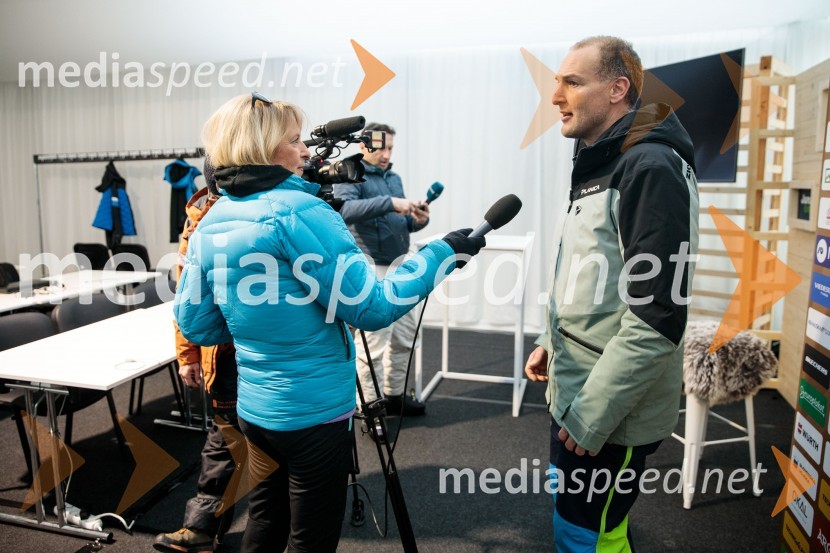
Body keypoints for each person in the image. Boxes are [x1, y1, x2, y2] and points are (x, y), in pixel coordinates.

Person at [174, 93, 485, 553]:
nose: (305, 152)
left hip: (254, 412)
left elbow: (196, 325)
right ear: (263, 148)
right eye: (295, 141)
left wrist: (259, 326)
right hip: (313, 415)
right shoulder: (301, 212)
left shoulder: (211, 219)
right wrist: (441, 252)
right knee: (311, 538)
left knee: (265, 519)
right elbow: (372, 307)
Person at [524, 36, 698, 551]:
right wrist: (550, 342)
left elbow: (657, 315)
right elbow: (589, 275)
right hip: (577, 389)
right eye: (556, 81)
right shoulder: (600, 159)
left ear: (618, 89)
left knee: (585, 536)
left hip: (607, 414)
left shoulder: (649, 166)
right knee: (590, 525)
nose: (555, 95)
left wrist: (592, 415)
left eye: (571, 82)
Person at [154, 160, 241, 553]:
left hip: (281, 353)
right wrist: (187, 354)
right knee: (223, 440)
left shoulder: (282, 206)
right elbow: (187, 294)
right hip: (224, 354)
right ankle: (201, 528)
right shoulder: (199, 219)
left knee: (282, 446)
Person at [334, 123, 430, 420]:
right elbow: (344, 211)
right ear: (365, 145)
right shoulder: (350, 174)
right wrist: (390, 202)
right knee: (373, 343)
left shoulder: (394, 177)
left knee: (404, 337)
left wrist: (418, 220)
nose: (387, 154)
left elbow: (401, 222)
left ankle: (394, 396)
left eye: (391, 148)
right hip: (371, 267)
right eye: (382, 147)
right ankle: (371, 406)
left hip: (401, 265)